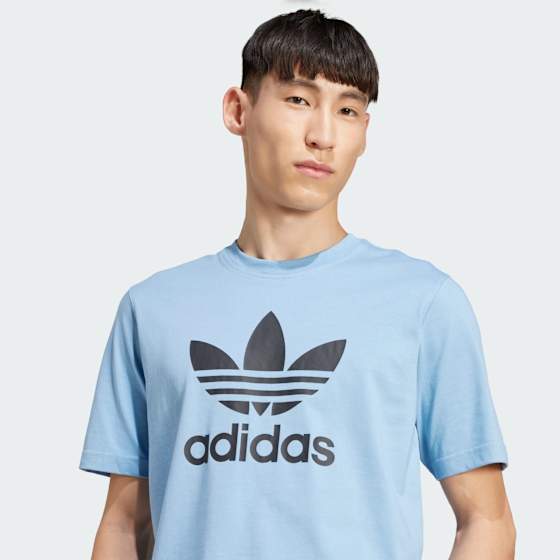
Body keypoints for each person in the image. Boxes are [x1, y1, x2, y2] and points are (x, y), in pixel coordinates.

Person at [79, 8, 516, 559]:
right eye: (298, 99)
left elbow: (486, 520)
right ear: (238, 110)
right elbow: (123, 525)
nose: (323, 135)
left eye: (348, 110)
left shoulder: (424, 302)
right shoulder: (152, 309)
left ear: (364, 132)